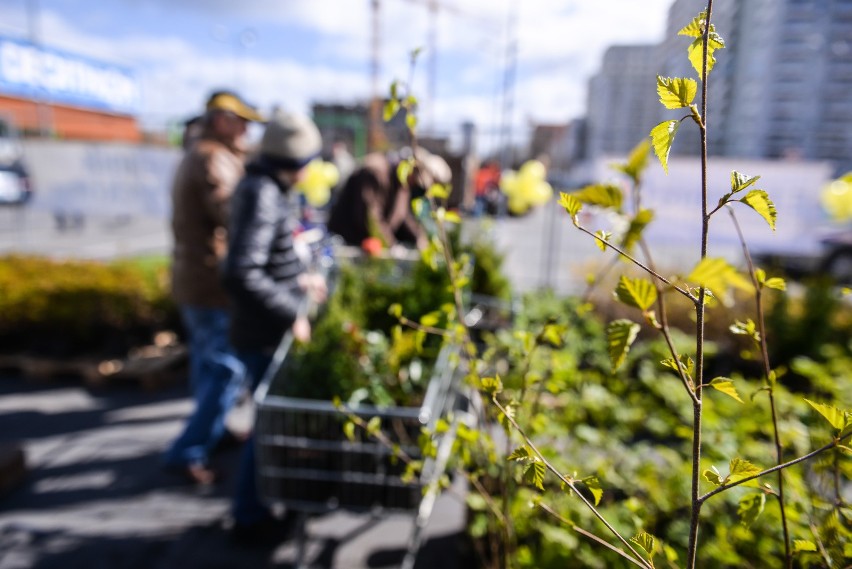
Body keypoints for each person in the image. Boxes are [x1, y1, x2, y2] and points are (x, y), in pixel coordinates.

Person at [221, 109, 328, 538]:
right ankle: (248, 518)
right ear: (296, 163)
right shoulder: (263, 193)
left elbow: (265, 258)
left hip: (264, 329)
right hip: (262, 334)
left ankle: (254, 508)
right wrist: (293, 311)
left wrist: (297, 276)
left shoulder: (268, 187)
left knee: (268, 422)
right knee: (266, 427)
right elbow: (241, 272)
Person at [164, 90, 264, 485]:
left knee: (209, 365)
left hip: (197, 279)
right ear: (223, 120)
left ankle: (213, 432)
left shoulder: (200, 153)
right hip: (210, 282)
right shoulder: (213, 158)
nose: (247, 132)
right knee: (226, 369)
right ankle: (187, 451)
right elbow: (232, 213)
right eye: (243, 123)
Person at [326, 148, 449, 250]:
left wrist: (419, 239)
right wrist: (391, 245)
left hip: (368, 247)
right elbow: (370, 218)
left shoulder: (402, 186)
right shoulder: (375, 171)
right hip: (347, 243)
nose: (414, 185)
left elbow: (403, 217)